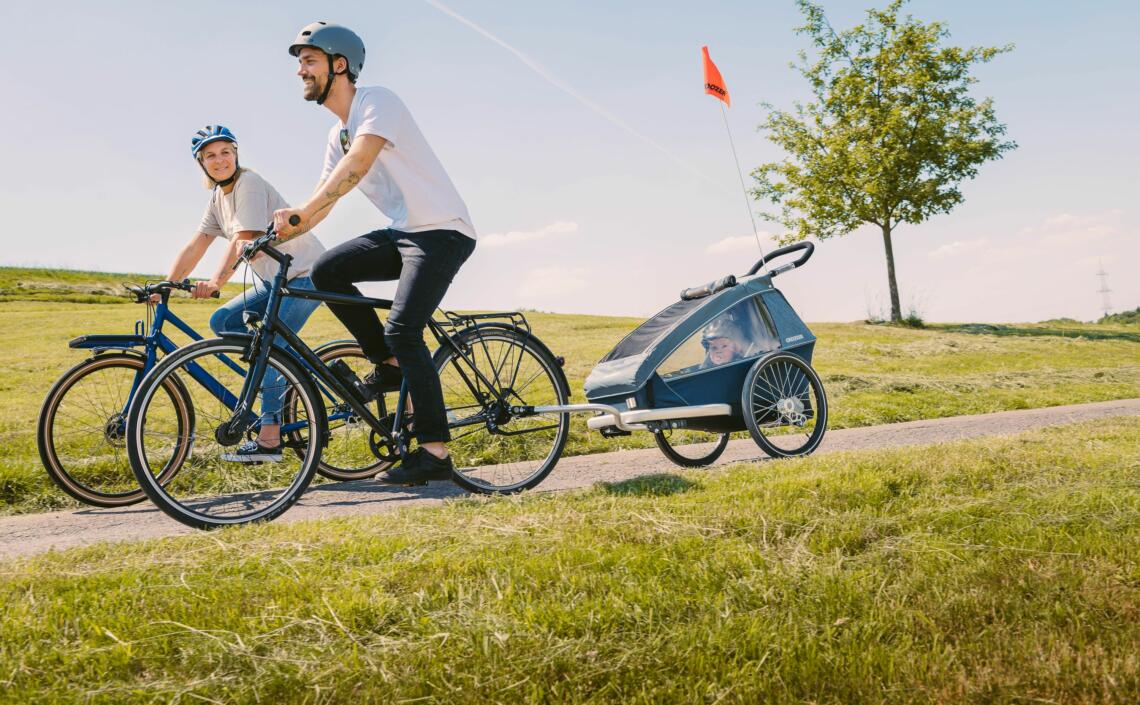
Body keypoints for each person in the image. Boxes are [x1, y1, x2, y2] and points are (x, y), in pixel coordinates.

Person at [273, 22, 477, 485]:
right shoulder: (336, 134)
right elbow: (328, 198)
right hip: (404, 232)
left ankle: (434, 452)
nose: (300, 71)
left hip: (442, 232)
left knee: (405, 331)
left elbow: (357, 165)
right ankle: (387, 368)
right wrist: (279, 235)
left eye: (309, 61)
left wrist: (303, 211)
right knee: (328, 270)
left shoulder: (376, 103)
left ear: (338, 64)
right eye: (299, 63)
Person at [163, 124, 327, 462]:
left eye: (226, 152)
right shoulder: (218, 198)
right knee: (224, 321)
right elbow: (198, 243)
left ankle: (270, 439)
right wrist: (167, 283)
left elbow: (245, 238)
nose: (219, 159)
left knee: (271, 349)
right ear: (202, 164)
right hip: (275, 282)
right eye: (210, 155)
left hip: (305, 276)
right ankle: (282, 380)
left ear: (236, 154)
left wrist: (217, 282)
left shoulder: (248, 184)